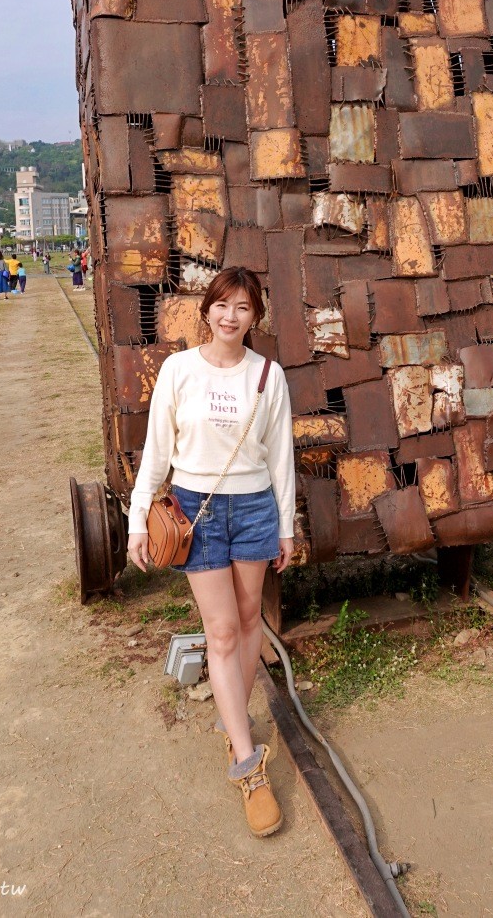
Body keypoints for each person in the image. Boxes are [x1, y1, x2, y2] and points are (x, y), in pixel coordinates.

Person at [127, 267, 295, 838]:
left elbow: (280, 458)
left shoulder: (267, 376)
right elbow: (155, 452)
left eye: (243, 308)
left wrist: (287, 527)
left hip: (253, 508)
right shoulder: (178, 370)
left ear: (255, 318)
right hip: (195, 510)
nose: (231, 317)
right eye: (223, 305)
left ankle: (233, 723)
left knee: (250, 623)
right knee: (222, 631)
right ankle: (248, 768)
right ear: (207, 310)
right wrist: (136, 522)